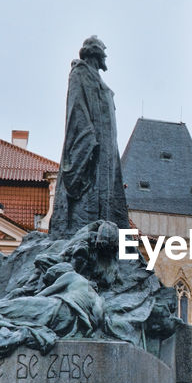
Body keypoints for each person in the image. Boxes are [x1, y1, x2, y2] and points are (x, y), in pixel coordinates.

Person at [49, 36, 129, 236]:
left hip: (108, 150)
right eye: (104, 50)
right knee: (88, 195)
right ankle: (83, 234)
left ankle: (107, 231)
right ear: (95, 52)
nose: (106, 55)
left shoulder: (98, 79)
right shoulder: (79, 73)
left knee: (108, 195)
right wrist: (88, 140)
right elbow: (77, 108)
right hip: (92, 145)